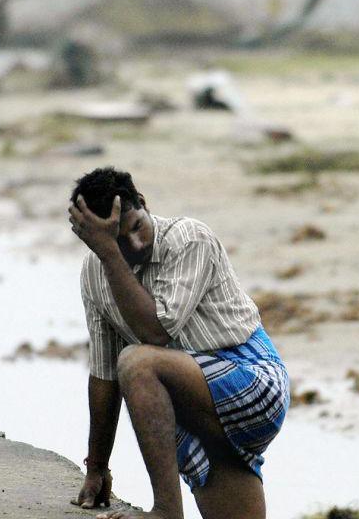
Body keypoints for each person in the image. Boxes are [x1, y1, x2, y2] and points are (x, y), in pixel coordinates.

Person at [68, 167, 290, 519]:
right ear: (92, 239)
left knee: (138, 362)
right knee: (128, 365)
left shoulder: (188, 239)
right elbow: (105, 377)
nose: (134, 245)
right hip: (192, 410)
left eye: (136, 227)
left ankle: (167, 511)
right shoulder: (94, 274)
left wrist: (112, 253)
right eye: (118, 241)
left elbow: (155, 333)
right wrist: (96, 467)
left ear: (142, 203)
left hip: (250, 381)